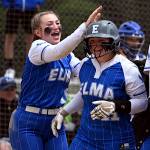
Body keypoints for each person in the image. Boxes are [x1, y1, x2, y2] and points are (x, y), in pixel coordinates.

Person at [9, 6, 102, 150]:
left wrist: (99, 49)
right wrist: (84, 28)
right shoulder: (37, 47)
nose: (55, 26)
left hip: (55, 119)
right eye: (49, 24)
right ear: (38, 32)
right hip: (28, 121)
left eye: (57, 23)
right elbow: (57, 51)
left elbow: (87, 73)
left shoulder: (68, 56)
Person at [51, 20, 148, 150]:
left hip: (116, 139)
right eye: (92, 42)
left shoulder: (128, 68)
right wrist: (63, 112)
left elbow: (142, 103)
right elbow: (85, 93)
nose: (96, 46)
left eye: (101, 41)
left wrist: (115, 106)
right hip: (85, 137)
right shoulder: (85, 64)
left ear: (113, 41)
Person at [118, 21, 149, 150]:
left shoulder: (144, 60)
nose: (135, 44)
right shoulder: (115, 60)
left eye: (138, 40)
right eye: (131, 40)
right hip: (119, 111)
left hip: (140, 112)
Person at [2, 0, 45, 77]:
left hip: (31, 8)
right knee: (10, 37)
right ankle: (9, 68)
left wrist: (37, 2)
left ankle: (30, 67)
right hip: (13, 7)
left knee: (31, 39)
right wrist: (7, 3)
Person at [0, 76, 18, 150]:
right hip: (1, 138)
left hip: (18, 137)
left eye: (12, 89)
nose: (10, 92)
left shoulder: (21, 103)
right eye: (6, 89)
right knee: (5, 147)